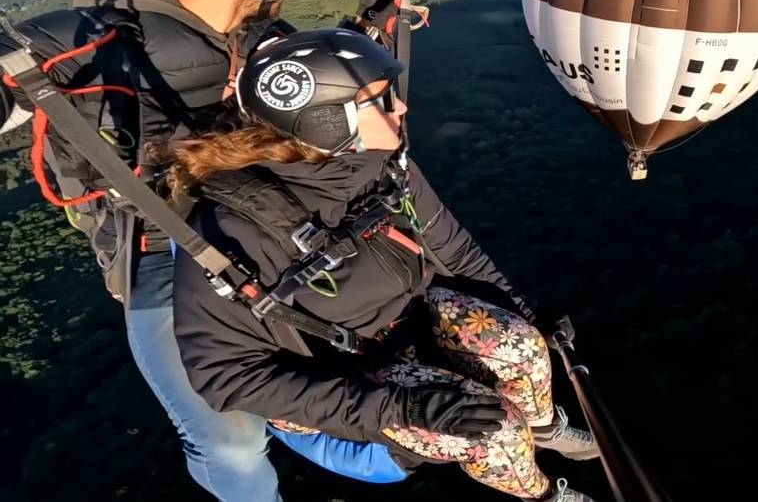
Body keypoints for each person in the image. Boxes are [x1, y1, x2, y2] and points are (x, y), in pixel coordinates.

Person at [168, 28, 598, 501]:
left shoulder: (387, 168)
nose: (401, 108)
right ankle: (541, 495)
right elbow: (224, 375)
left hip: (409, 325)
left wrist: (525, 313)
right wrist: (399, 407)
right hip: (341, 378)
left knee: (521, 345)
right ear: (327, 122)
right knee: (492, 428)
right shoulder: (232, 231)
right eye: (381, 100)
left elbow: (456, 250)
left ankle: (542, 427)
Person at [0, 0, 320, 501]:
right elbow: (17, 85)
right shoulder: (91, 41)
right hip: (158, 254)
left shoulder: (265, 39)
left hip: (265, 236)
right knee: (231, 443)